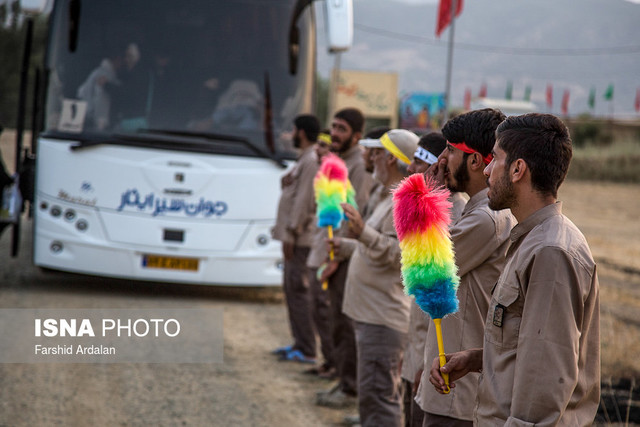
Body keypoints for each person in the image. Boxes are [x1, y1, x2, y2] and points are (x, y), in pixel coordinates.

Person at [429, 113, 600, 426]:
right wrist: (477, 358)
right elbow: (527, 344)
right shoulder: (531, 239)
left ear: (518, 169)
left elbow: (544, 380)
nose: (489, 170)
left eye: (495, 159)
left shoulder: (551, 252)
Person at [414, 108, 516, 426]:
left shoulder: (485, 218)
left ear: (474, 161)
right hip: (451, 374)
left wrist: (422, 197)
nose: (441, 159)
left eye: (450, 150)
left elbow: (421, 270)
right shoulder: (478, 212)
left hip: (457, 390)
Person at [326, 129, 416, 426]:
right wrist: (351, 245)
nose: (370, 158)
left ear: (390, 158)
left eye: (376, 153)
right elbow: (378, 245)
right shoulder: (387, 197)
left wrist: (362, 232)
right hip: (372, 315)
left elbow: (400, 256)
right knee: (373, 396)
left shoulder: (404, 202)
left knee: (380, 399)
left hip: (383, 317)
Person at [401, 131, 468, 427]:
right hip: (419, 350)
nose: (412, 167)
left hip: (436, 358)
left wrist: (424, 197)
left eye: (421, 161)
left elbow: (435, 272)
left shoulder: (460, 211)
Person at [315, 107, 373, 408]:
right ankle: (342, 379)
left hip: (348, 256)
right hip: (337, 251)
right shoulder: (337, 162)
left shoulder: (358, 168)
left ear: (356, 135)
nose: (335, 133)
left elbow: (356, 218)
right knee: (335, 320)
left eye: (341, 128)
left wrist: (335, 259)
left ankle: (349, 387)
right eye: (333, 126)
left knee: (344, 322)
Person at [271, 114, 321, 364]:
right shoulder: (304, 159)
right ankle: (299, 343)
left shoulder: (310, 160)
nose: (291, 135)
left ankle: (307, 348)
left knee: (298, 290)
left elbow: (304, 200)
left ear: (301, 132)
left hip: (300, 238)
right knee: (291, 290)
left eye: (293, 130)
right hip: (295, 236)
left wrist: (291, 232)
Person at [77, 47, 123, 130]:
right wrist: (100, 119)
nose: (122, 64)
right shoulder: (103, 74)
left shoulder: (100, 72)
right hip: (98, 120)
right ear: (116, 59)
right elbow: (99, 98)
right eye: (120, 61)